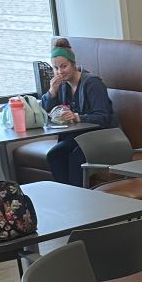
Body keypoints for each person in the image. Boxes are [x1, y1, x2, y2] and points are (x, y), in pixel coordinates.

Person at [39, 37, 117, 185]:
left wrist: (77, 117)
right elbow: (45, 112)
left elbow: (103, 117)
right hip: (78, 138)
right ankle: (66, 195)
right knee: (54, 155)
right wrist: (52, 92)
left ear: (73, 64)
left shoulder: (92, 83)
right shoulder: (62, 86)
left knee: (76, 158)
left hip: (101, 138)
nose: (60, 72)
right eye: (55, 68)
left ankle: (79, 198)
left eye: (64, 66)